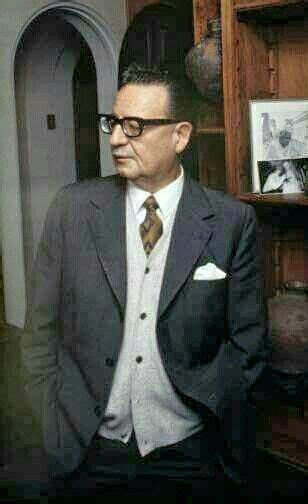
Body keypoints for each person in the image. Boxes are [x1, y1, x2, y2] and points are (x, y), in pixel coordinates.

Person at [21, 63, 267, 500]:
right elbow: (40, 333)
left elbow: (248, 346)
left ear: (180, 136)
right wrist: (55, 427)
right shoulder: (72, 210)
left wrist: (216, 430)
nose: (116, 139)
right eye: (112, 123)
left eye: (134, 126)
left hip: (191, 453)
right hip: (87, 448)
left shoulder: (231, 222)